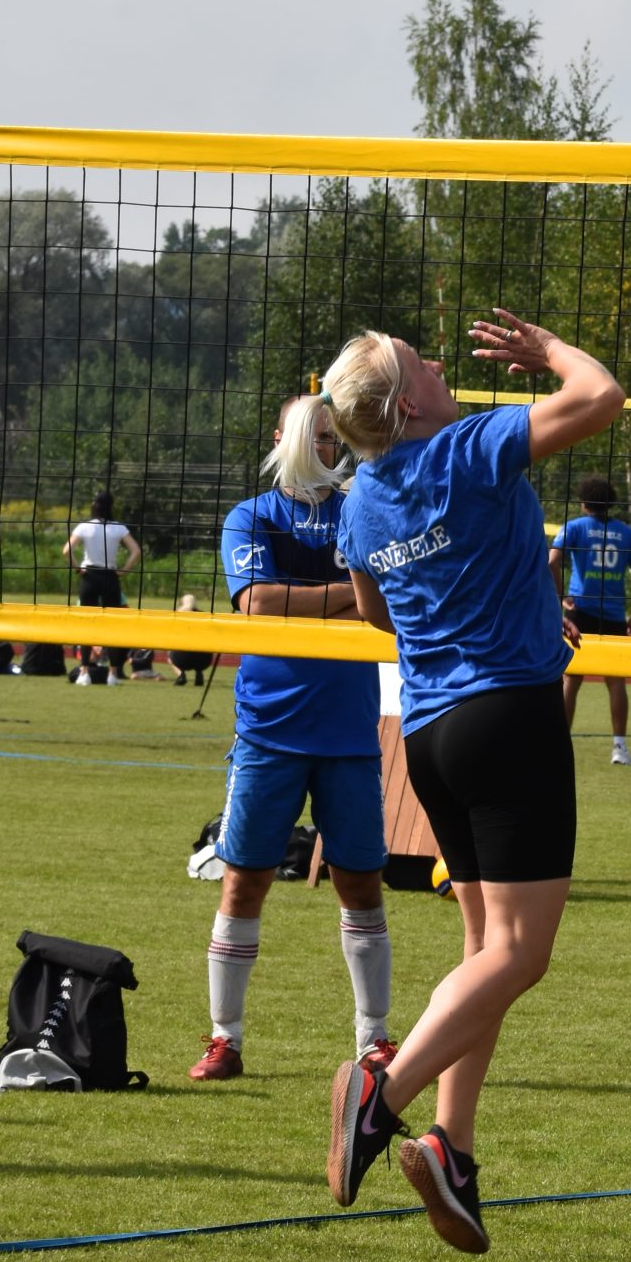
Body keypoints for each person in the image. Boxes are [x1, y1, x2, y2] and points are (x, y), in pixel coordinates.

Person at [324, 315, 623, 1253]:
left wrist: (502, 596)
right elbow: (601, 397)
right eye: (424, 362)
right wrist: (549, 353)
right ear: (410, 401)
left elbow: (377, 612)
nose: (442, 364)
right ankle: (382, 1096)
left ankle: (451, 1146)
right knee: (521, 955)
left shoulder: (363, 498)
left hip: (429, 736)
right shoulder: (467, 445)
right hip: (509, 720)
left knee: (485, 949)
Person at [188, 394, 394, 1084]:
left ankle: (374, 1039)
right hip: (269, 731)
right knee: (243, 882)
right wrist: (349, 594)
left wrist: (316, 596)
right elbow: (258, 602)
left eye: (334, 438)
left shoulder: (361, 508)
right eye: (314, 435)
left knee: (360, 884)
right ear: (282, 439)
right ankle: (225, 1040)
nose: (325, 447)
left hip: (348, 731)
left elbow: (386, 598)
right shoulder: (252, 515)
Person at [550, 473, 631, 765]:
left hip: (579, 612)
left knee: (570, 679)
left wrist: (558, 598)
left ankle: (559, 745)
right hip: (614, 614)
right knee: (616, 681)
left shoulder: (573, 527)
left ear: (583, 502)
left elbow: (552, 561)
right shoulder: (626, 532)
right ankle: (619, 748)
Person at [60, 491, 140, 684]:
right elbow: (136, 551)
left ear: (94, 505)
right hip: (110, 577)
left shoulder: (85, 526)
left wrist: (78, 568)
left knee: (86, 624)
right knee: (112, 626)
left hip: (90, 576)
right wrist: (123, 571)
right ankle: (113, 674)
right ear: (111, 507)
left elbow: (66, 550)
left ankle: (84, 672)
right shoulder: (118, 528)